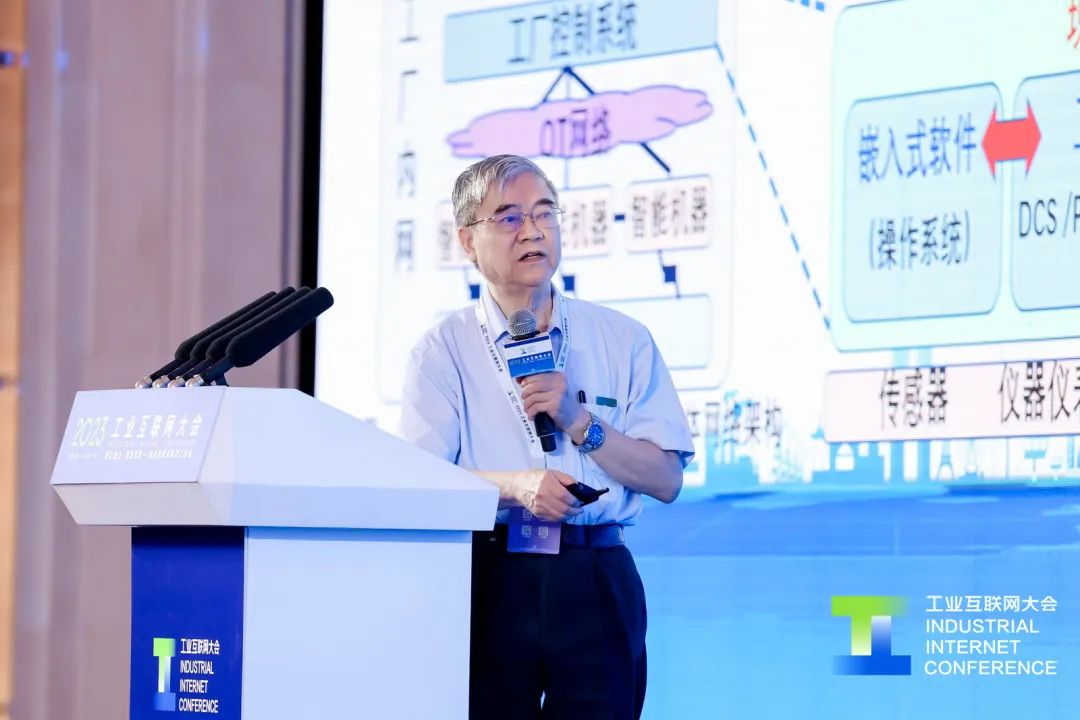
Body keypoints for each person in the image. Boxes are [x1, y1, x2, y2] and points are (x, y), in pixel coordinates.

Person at [401, 154, 694, 720]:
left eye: (544, 213)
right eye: (509, 217)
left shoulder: (622, 339)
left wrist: (578, 421)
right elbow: (422, 482)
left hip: (596, 574)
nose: (532, 230)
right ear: (468, 240)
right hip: (491, 578)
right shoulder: (442, 351)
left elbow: (666, 480)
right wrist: (516, 487)